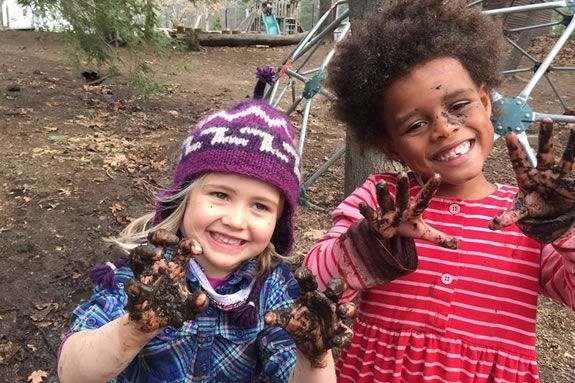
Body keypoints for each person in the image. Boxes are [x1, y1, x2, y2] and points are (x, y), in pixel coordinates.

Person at [298, 0, 575, 382]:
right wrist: (369, 244)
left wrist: (563, 226)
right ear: (392, 148)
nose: (443, 128)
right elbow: (313, 284)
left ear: (483, 101)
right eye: (415, 125)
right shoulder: (379, 202)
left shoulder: (528, 214)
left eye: (458, 105)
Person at [57, 68, 307, 383]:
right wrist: (134, 329)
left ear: (278, 222)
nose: (235, 220)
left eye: (260, 206)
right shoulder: (144, 273)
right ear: (184, 198)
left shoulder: (274, 290)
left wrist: (316, 357)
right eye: (220, 195)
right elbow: (72, 373)